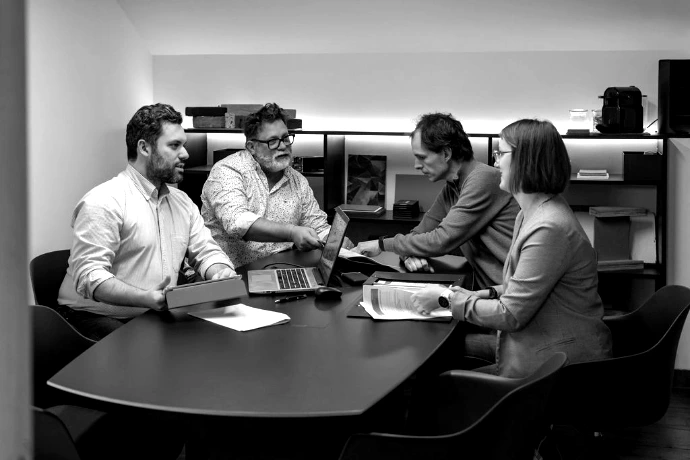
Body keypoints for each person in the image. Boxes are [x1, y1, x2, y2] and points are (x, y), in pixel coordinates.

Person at [411, 118, 613, 378]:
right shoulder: (531, 213)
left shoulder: (548, 228)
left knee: (437, 366)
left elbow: (510, 315)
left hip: (557, 366)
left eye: (501, 154)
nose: (495, 163)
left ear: (526, 161)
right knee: (441, 356)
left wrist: (446, 300)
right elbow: (522, 287)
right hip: (537, 347)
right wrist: (480, 294)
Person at [57, 103, 237, 341]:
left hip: (152, 313)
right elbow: (90, 276)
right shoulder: (104, 201)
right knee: (158, 357)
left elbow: (206, 251)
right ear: (144, 148)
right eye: (174, 145)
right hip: (91, 318)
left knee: (216, 343)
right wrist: (144, 298)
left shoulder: (182, 202)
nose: (185, 154)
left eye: (183, 145)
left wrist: (220, 272)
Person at [351, 112, 519, 290]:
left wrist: (381, 244)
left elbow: (440, 240)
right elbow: (418, 234)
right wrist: (409, 254)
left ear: (446, 153)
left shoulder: (483, 179)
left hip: (510, 296)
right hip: (484, 290)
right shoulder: (452, 187)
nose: (416, 165)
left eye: (422, 157)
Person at [201, 102, 352, 268]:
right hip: (232, 273)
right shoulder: (228, 170)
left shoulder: (298, 181)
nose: (283, 146)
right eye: (273, 141)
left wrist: (333, 241)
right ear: (252, 147)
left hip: (283, 268)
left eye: (285, 138)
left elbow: (317, 225)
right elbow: (237, 222)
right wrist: (291, 232)